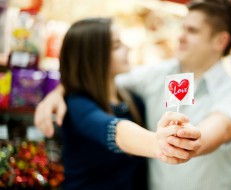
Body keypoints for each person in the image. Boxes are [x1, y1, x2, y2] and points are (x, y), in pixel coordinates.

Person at [35, 1, 231, 189]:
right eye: (183, 27)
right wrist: (60, 90)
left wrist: (191, 143)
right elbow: (96, 77)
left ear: (220, 41)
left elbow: (222, 128)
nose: (181, 36)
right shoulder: (156, 75)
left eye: (192, 31)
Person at [47, 17, 201, 190]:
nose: (128, 48)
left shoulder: (133, 100)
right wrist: (159, 143)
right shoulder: (77, 105)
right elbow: (115, 130)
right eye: (117, 46)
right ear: (94, 57)